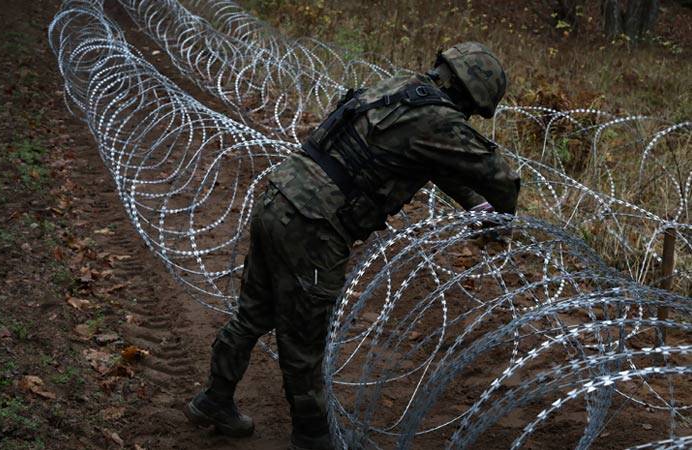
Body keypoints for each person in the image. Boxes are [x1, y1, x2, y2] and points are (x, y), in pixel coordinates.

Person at [184, 42, 520, 450]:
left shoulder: (401, 88)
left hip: (279, 198)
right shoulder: (438, 120)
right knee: (306, 340)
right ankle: (312, 437)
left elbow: (434, 160)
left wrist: (474, 206)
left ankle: (214, 400)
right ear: (470, 96)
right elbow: (501, 179)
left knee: (254, 311)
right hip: (314, 227)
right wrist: (502, 217)